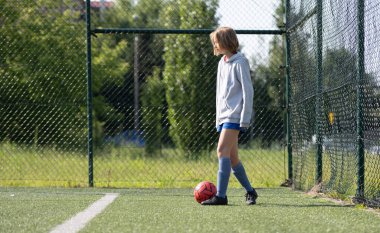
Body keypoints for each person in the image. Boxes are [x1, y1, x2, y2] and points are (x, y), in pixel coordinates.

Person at [201, 27, 258, 205]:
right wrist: (219, 118)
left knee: (221, 151)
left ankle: (221, 196)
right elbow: (220, 94)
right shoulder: (221, 63)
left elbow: (248, 91)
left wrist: (245, 118)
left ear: (225, 42)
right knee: (232, 158)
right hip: (224, 117)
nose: (214, 45)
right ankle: (250, 192)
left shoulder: (240, 62)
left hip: (235, 117)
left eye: (216, 41)